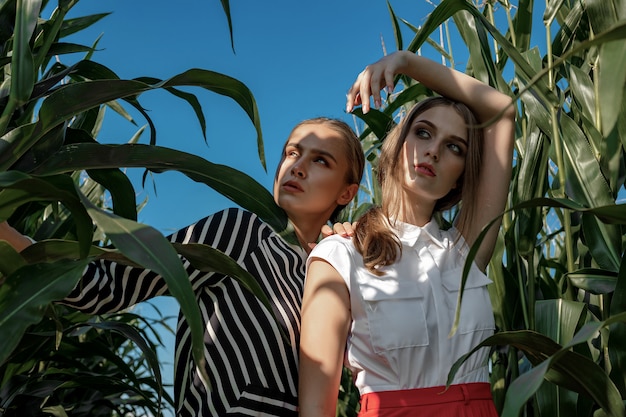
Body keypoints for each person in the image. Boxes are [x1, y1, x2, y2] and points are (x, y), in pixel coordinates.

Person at [0, 117, 365, 417]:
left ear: (346, 193)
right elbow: (108, 284)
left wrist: (346, 258)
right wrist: (11, 239)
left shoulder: (331, 271)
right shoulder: (239, 232)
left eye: (320, 160)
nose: (297, 168)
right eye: (291, 153)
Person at [298, 51, 515, 417]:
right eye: (423, 132)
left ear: (461, 175)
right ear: (398, 145)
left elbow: (501, 110)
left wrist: (405, 62)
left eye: (454, 147)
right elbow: (316, 407)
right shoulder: (340, 254)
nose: (432, 151)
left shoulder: (465, 251)